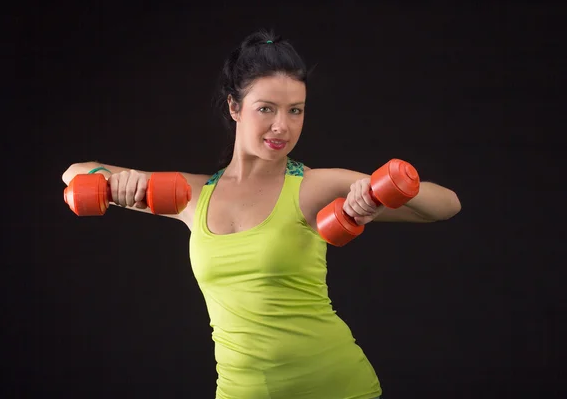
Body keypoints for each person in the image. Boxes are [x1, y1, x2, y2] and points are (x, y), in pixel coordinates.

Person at [62, 29, 461, 399]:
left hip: (336, 386)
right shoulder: (190, 194)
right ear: (235, 106)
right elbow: (74, 174)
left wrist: (373, 190)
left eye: (295, 111)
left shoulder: (313, 187)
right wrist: (116, 179)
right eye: (266, 108)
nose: (281, 127)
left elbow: (445, 205)